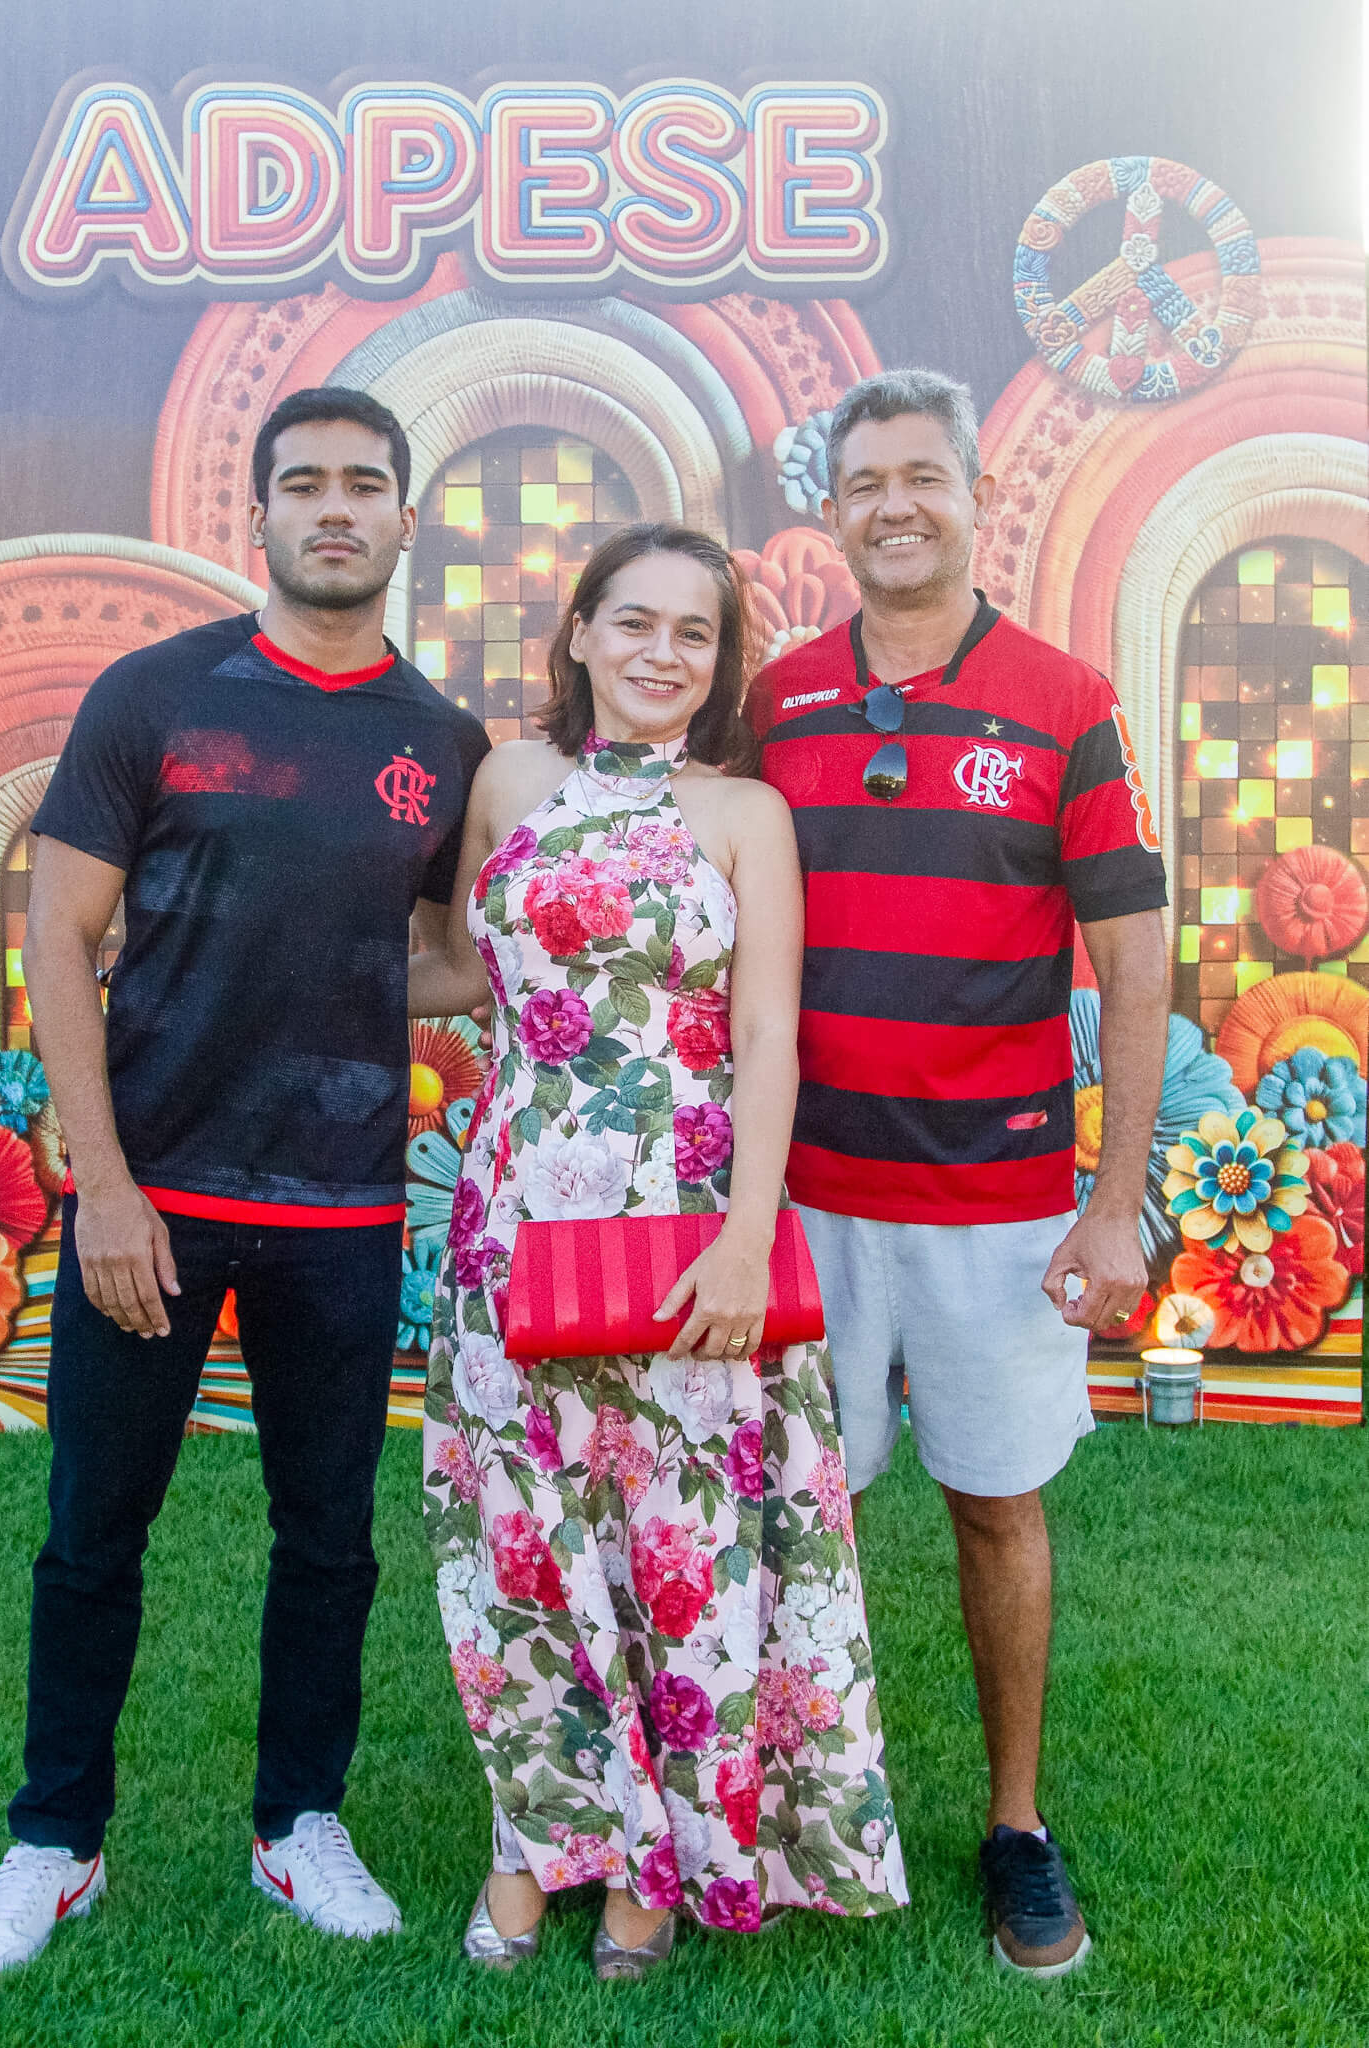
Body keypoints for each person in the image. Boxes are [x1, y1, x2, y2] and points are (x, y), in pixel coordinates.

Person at [0, 387, 490, 1984]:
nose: (336, 508)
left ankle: (297, 1823)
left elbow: (454, 958)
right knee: (92, 1535)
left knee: (329, 1539)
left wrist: (368, 979)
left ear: (404, 520)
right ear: (259, 516)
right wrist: (106, 1188)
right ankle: (56, 1844)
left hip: (343, 1207)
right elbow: (59, 938)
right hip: (156, 1200)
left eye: (365, 485)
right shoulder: (157, 695)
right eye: (304, 484)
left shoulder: (440, 743)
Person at [409, 523, 908, 1983]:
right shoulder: (509, 779)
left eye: (695, 633)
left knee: (676, 1545)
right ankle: (535, 1837)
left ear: (720, 662)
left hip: (688, 1221)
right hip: (515, 1217)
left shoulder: (746, 812)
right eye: (633, 621)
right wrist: (259, 959)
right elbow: (464, 968)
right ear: (578, 632)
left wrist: (751, 1239)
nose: (660, 653)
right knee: (524, 1538)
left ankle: (657, 1863)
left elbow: (767, 1034)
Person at [749, 368, 1170, 1978]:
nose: (895, 506)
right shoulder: (777, 700)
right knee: (810, 1517)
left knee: (996, 1509)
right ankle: (807, 1799)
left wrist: (1113, 1202)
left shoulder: (1065, 699)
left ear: (978, 498)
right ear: (832, 511)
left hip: (997, 1205)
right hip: (806, 1201)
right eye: (866, 482)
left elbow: (1134, 965)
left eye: (923, 476)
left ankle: (1015, 1828)